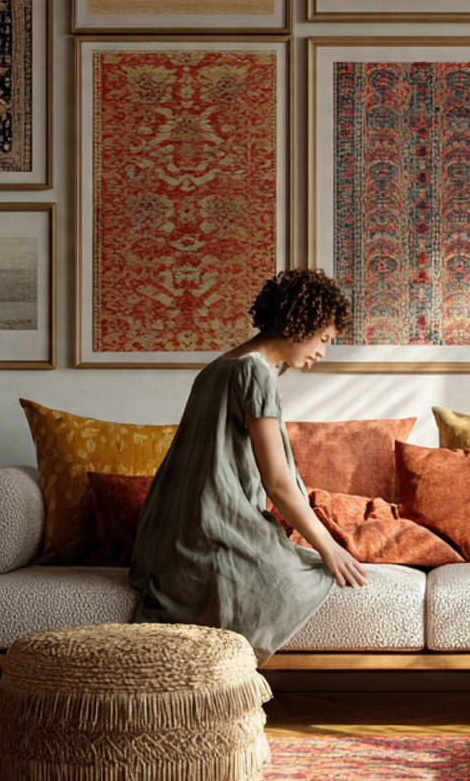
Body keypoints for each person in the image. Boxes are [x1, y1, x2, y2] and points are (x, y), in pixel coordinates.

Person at [129, 268, 368, 664]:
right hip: (213, 530)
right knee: (310, 573)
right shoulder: (254, 372)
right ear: (300, 323)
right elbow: (276, 481)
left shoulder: (216, 367)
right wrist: (329, 548)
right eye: (324, 339)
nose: (323, 351)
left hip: (164, 537)